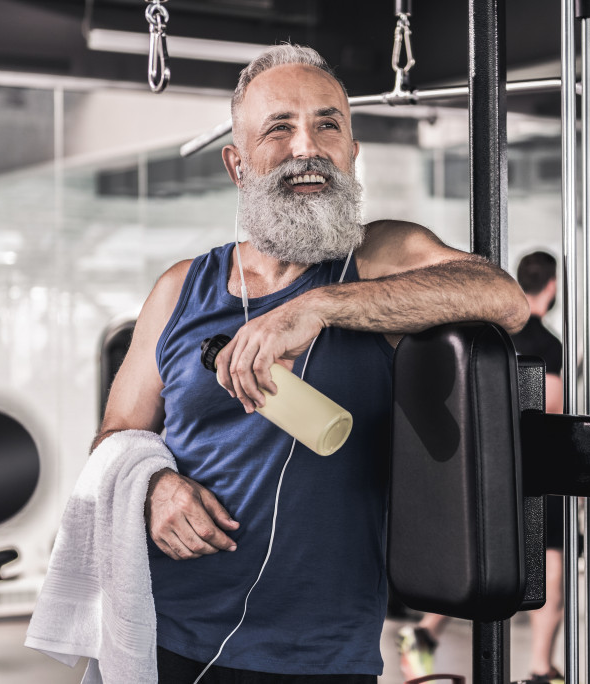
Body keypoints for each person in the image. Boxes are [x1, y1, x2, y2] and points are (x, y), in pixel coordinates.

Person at [96, 44, 529, 683]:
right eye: (280, 127)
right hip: (163, 633)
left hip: (317, 656)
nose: (308, 146)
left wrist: (322, 306)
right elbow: (115, 439)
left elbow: (503, 298)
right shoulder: (180, 288)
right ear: (236, 164)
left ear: (352, 153)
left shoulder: (379, 256)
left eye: (328, 124)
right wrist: (154, 489)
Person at [397, 250, 564, 683]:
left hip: (481, 471)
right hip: (532, 473)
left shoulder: (490, 335)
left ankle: (422, 634)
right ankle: (542, 669)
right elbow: (546, 406)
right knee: (550, 575)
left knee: (478, 565)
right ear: (552, 286)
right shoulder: (545, 344)